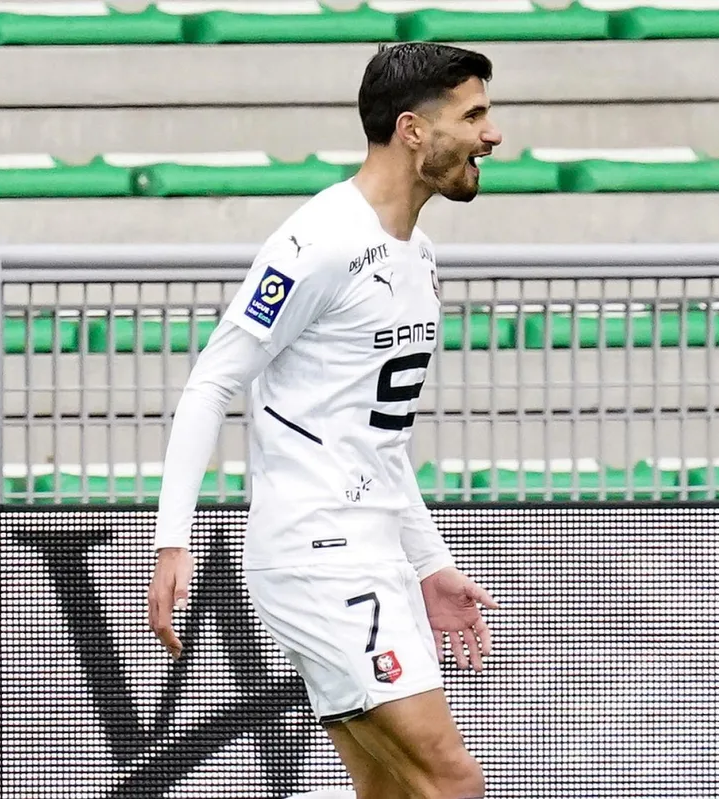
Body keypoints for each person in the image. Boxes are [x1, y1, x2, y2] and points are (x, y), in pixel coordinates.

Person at [147, 42, 504, 799]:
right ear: (413, 130)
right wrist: (171, 539)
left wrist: (429, 562)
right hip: (319, 556)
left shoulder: (420, 256)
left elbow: (380, 439)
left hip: (374, 555)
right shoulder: (319, 241)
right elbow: (211, 383)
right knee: (451, 782)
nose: (491, 134)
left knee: (396, 790)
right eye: (474, 115)